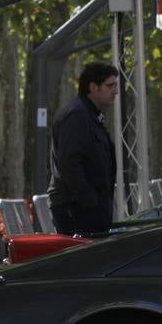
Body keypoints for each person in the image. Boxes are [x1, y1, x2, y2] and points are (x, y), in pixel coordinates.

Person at [47, 61, 119, 235]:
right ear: (93, 87)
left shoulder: (89, 115)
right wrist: (89, 201)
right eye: (110, 86)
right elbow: (70, 163)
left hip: (85, 207)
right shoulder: (77, 115)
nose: (115, 91)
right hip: (77, 209)